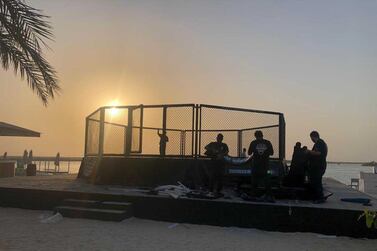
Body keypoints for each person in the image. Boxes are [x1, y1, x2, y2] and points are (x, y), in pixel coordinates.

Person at [248, 130, 274, 202]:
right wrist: (265, 153)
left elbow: (249, 152)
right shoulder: (267, 142)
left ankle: (253, 195)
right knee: (267, 182)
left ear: (255, 136)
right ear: (262, 135)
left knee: (254, 182)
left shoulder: (253, 143)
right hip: (265, 166)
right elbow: (272, 153)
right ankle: (268, 196)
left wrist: (256, 152)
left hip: (256, 166)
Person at [306, 131, 328, 203]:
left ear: (313, 137)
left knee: (317, 182)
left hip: (319, 166)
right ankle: (317, 196)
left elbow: (319, 153)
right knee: (315, 181)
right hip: (317, 166)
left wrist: (308, 151)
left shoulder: (320, 143)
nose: (311, 140)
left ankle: (320, 198)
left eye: (311, 138)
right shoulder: (319, 143)